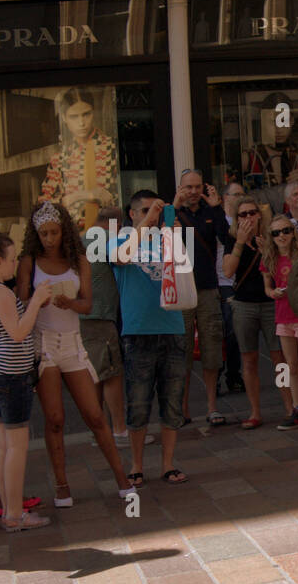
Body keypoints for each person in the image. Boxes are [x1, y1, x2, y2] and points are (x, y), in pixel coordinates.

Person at [17, 201, 132, 506]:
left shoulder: (78, 259)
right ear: (35, 234)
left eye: (53, 232)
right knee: (54, 418)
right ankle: (62, 486)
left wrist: (69, 303)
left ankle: (122, 478)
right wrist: (37, 302)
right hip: (44, 344)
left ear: (64, 230)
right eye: (43, 233)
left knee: (94, 415)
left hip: (73, 341)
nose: (49, 239)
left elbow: (88, 305)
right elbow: (21, 303)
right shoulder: (29, 261)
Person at [0, 231, 55, 530]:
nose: (16, 264)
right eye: (13, 258)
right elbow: (18, 332)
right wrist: (37, 300)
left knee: (2, 444)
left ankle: (9, 512)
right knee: (16, 445)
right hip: (11, 373)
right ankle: (16, 515)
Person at [116, 191, 189, 486]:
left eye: (155, 210)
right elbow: (121, 259)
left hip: (172, 328)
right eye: (145, 210)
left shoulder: (168, 236)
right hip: (138, 333)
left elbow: (184, 264)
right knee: (138, 402)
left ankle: (168, 464)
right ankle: (136, 465)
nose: (152, 215)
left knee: (172, 402)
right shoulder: (118, 240)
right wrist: (147, 223)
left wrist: (173, 223)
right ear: (132, 214)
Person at [222, 194, 294, 429]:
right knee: (248, 359)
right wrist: (241, 243)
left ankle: (289, 406)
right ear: (236, 218)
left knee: (279, 359)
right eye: (243, 214)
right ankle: (254, 411)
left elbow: (279, 270)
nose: (248, 218)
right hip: (244, 305)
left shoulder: (272, 237)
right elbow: (228, 271)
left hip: (270, 304)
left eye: (252, 213)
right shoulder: (232, 238)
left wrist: (266, 252)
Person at [171, 170, 231, 427]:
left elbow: (226, 237)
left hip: (207, 288)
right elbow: (159, 236)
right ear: (180, 188)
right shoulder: (171, 212)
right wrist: (173, 206)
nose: (193, 191)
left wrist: (217, 207)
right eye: (188, 187)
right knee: (181, 350)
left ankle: (212, 407)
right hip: (181, 290)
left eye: (197, 186)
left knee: (211, 348)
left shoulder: (210, 211)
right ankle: (181, 410)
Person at [263, 214, 298, 431]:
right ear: (271, 236)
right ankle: (297, 408)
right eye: (276, 233)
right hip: (283, 316)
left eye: (286, 230)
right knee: (290, 366)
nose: (282, 236)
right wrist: (273, 292)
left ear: (293, 232)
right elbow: (267, 287)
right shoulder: (269, 258)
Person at [82, 205, 129, 446]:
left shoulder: (84, 238)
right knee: (111, 375)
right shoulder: (102, 239)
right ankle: (120, 431)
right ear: (116, 225)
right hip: (100, 318)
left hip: (86, 318)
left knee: (95, 376)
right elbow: (123, 260)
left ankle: (98, 432)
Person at [39, 87, 118, 229]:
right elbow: (43, 207)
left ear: (93, 113)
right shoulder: (60, 158)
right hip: (73, 236)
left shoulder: (111, 148)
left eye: (86, 114)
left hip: (110, 233)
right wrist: (81, 195)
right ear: (64, 118)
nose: (81, 123)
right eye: (74, 117)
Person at [217, 182, 245, 394]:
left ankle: (234, 374)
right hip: (219, 281)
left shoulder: (246, 218)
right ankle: (222, 375)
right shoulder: (217, 220)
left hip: (241, 282)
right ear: (225, 197)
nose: (240, 198)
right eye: (236, 195)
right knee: (222, 332)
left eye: (242, 194)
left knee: (236, 332)